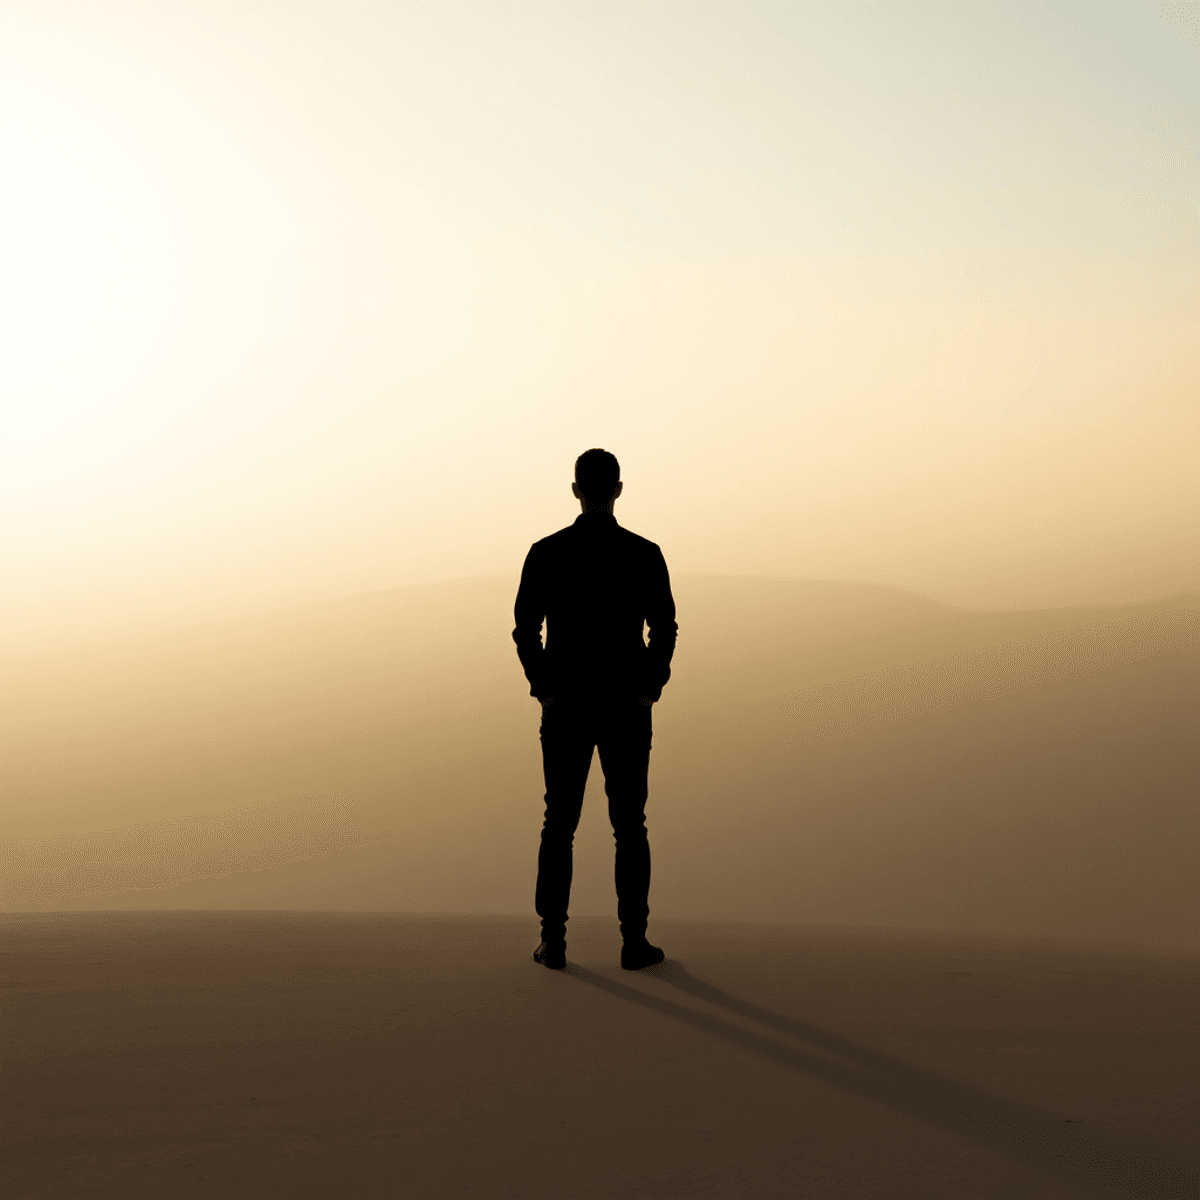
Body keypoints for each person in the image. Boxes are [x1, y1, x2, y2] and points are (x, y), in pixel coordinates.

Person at [513, 449, 678, 971]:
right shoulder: (643, 553)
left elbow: (525, 629)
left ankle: (553, 941)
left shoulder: (547, 552)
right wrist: (649, 684)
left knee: (559, 823)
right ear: (618, 489)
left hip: (568, 705)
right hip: (626, 705)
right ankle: (633, 941)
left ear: (576, 489)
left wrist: (544, 686)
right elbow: (665, 628)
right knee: (629, 824)